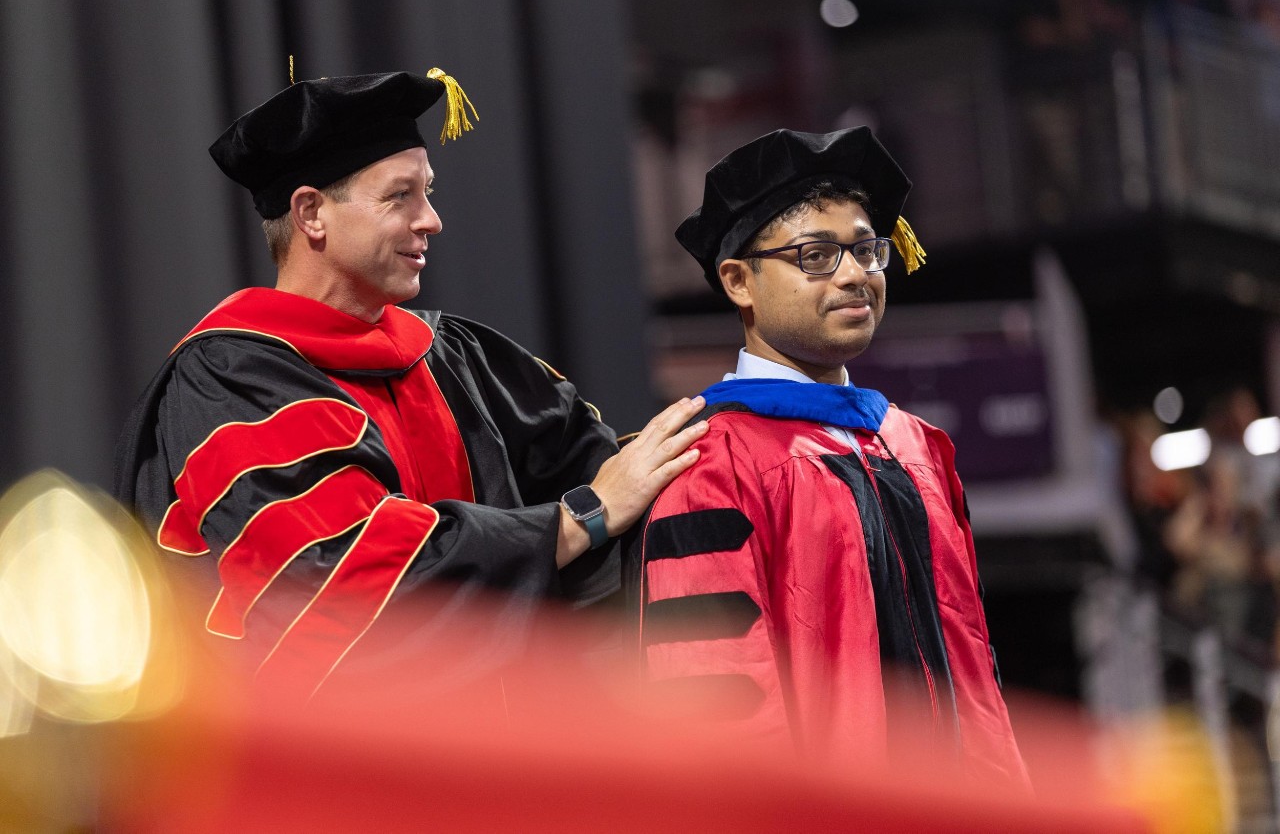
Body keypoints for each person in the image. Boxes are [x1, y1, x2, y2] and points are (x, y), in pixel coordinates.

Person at [114, 68, 706, 698]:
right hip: (335, 776)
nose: (433, 221)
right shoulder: (231, 382)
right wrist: (574, 522)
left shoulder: (456, 356)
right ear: (311, 213)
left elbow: (611, 466)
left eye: (429, 192)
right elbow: (340, 584)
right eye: (400, 196)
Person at [626, 128, 1026, 783]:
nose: (853, 275)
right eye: (815, 255)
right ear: (738, 281)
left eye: (866, 251)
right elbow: (714, 708)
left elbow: (976, 668)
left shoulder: (915, 446)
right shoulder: (707, 461)